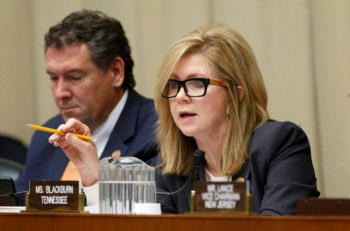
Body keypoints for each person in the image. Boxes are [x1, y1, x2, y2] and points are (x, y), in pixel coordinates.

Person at [48, 23, 320, 215]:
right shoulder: (174, 170)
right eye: (174, 85)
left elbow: (279, 226)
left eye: (196, 83)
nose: (180, 97)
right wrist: (93, 176)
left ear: (235, 95)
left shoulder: (280, 144)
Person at [14, 10, 158, 203]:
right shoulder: (45, 138)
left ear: (116, 72)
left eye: (75, 77)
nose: (60, 93)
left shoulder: (159, 132)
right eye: (54, 78)